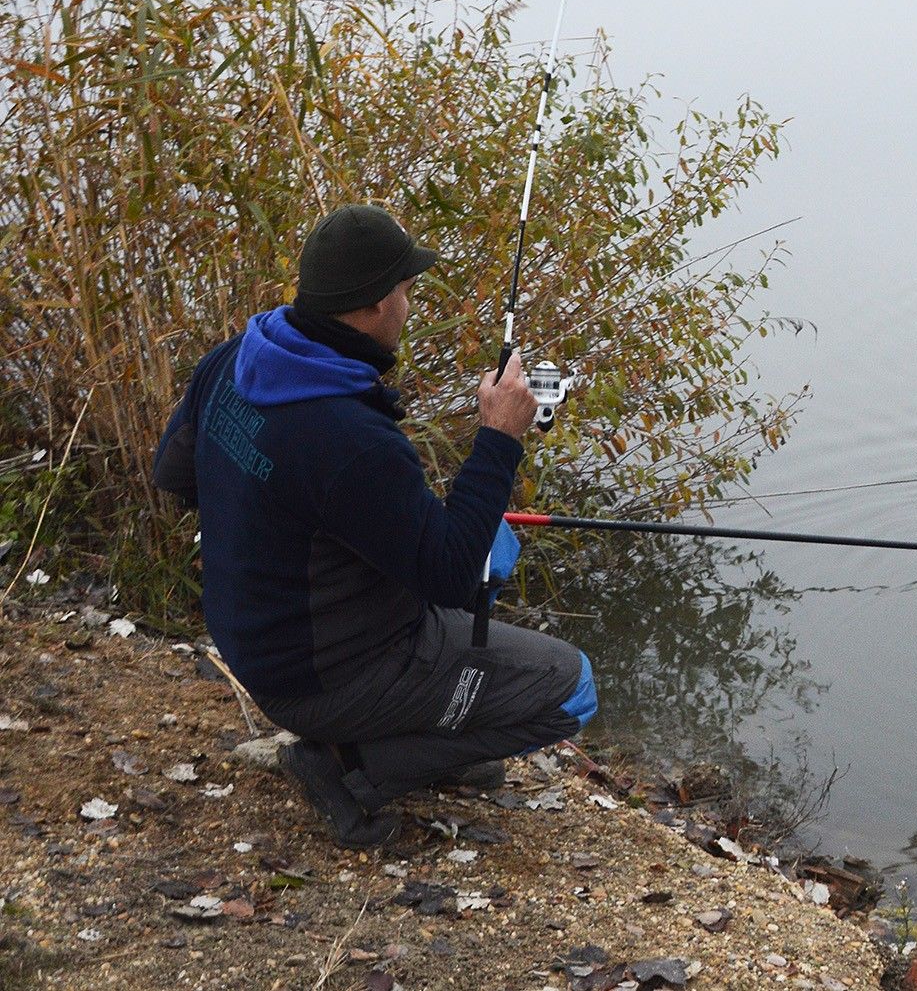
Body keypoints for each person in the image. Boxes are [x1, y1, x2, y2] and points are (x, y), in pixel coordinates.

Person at [152, 204, 597, 846]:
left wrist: (290, 529)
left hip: (249, 641)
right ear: (372, 306)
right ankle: (351, 766)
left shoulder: (232, 361)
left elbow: (177, 477)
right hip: (321, 678)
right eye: (407, 291)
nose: (410, 306)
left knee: (489, 550)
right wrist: (498, 437)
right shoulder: (351, 440)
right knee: (571, 688)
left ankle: (428, 732)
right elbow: (448, 579)